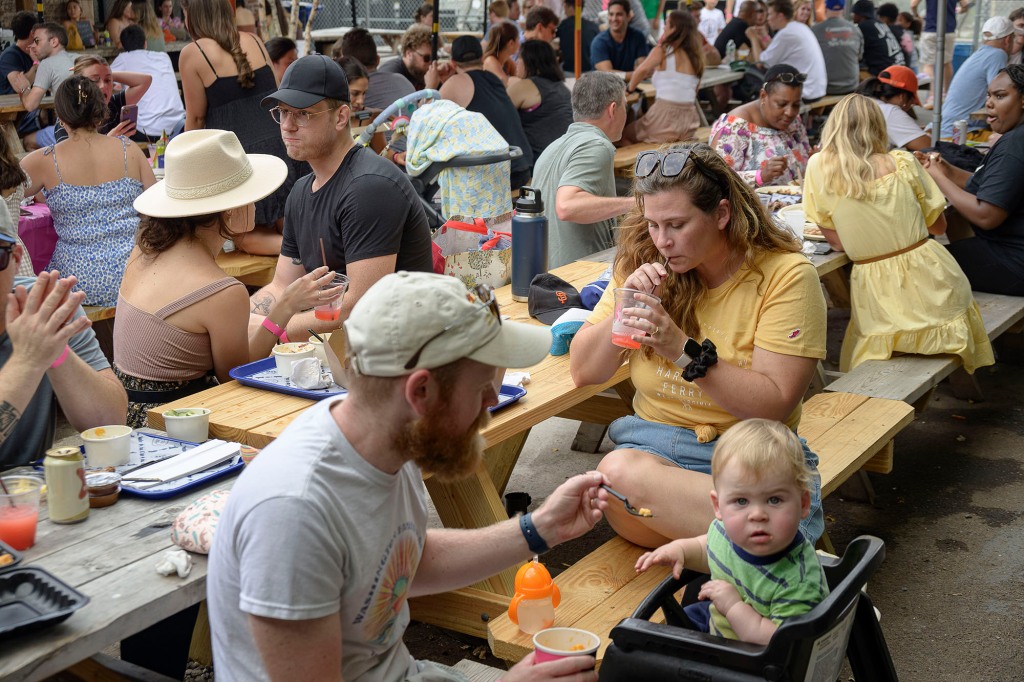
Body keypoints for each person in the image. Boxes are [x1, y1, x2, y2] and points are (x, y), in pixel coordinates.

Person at [209, 270, 608, 682]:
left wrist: (540, 529)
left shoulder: (382, 439)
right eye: (482, 388)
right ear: (420, 392)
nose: (491, 403)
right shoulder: (294, 511)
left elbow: (396, 562)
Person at [568, 141, 827, 549]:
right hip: (652, 456)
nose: (662, 241)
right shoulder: (642, 261)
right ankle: (762, 551)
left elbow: (772, 406)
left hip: (750, 461)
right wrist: (624, 310)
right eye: (653, 224)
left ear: (721, 214)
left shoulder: (786, 276)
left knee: (616, 481)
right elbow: (584, 372)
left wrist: (680, 349)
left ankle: (748, 550)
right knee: (612, 479)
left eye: (676, 225)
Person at [115, 130, 339, 425]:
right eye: (251, 198)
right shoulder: (221, 290)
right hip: (175, 420)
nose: (257, 207)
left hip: (124, 410)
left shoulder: (145, 249)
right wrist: (286, 306)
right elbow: (238, 372)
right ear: (230, 213)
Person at [803, 94, 993, 373]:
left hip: (876, 291)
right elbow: (939, 227)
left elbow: (838, 243)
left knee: (878, 357)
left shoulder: (819, 167)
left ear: (833, 126)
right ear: (880, 127)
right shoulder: (903, 161)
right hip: (934, 284)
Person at [252, 56, 433, 338]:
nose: (287, 125)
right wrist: (243, 321)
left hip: (400, 351)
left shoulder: (369, 186)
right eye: (283, 112)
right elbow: (281, 287)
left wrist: (271, 330)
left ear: (340, 117)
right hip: (345, 350)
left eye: (303, 114)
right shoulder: (300, 191)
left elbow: (361, 306)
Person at [635, 419, 828, 644]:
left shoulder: (798, 581)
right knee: (654, 638)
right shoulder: (725, 532)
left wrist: (733, 606)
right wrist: (679, 550)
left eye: (774, 500)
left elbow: (779, 643)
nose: (757, 514)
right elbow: (706, 547)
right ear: (718, 506)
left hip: (756, 658)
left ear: (804, 504)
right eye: (741, 501)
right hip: (720, 623)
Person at [179, 0, 306, 255]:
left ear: (191, 16)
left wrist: (183, 164)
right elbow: (277, 93)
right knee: (287, 222)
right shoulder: (255, 40)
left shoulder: (193, 53)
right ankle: (305, 248)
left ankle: (302, 250)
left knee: (244, 237)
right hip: (280, 143)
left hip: (239, 156)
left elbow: (195, 119)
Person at [20, 77, 155, 308]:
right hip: (136, 275)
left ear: (60, 117)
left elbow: (8, 189)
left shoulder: (45, 160)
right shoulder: (128, 150)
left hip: (76, 283)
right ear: (101, 110)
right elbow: (155, 212)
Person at [0, 261, 128, 469]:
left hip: (33, 490)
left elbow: (109, 423)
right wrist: (28, 359)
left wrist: (55, 349)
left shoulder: (44, 307)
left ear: (15, 259)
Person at [917, 65, 1024, 296]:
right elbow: (986, 183)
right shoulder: (1015, 139)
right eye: (988, 95)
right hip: (1011, 253)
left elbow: (986, 215)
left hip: (1014, 262)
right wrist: (944, 169)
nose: (989, 103)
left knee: (918, 266)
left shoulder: (1013, 145)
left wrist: (937, 177)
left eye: (1000, 96)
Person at [531, 71, 634, 267]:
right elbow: (567, 206)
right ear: (613, 109)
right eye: (625, 106)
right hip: (578, 280)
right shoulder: (596, 145)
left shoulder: (552, 148)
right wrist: (636, 203)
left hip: (548, 277)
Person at [440, 36, 535, 189]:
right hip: (522, 166)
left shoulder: (456, 81)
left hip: (500, 175)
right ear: (482, 58)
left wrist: (431, 83)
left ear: (453, 63)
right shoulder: (494, 78)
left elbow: (426, 117)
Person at [710, 63, 813, 186]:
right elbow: (716, 178)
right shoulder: (735, 126)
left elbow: (803, 157)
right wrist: (760, 176)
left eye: (796, 105)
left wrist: (813, 159)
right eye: (781, 104)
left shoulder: (793, 121)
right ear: (763, 96)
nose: (790, 112)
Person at [623, 10, 704, 144]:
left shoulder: (663, 50)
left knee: (624, 135)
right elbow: (694, 91)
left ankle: (637, 163)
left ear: (674, 28)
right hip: (690, 120)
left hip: (665, 116)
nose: (664, 27)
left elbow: (641, 71)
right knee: (643, 120)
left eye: (667, 23)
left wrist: (629, 90)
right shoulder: (696, 58)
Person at [939, 17, 1017, 138]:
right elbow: (1000, 95)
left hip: (946, 128)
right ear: (1007, 40)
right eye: (1013, 38)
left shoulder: (981, 53)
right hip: (960, 133)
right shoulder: (997, 54)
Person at [54, 54, 152, 143]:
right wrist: (108, 141)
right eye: (94, 80)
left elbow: (145, 81)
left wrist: (107, 73)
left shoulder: (112, 104)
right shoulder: (68, 117)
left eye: (107, 80)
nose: (102, 86)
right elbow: (71, 160)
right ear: (78, 86)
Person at [111, 25, 186, 139]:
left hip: (149, 130)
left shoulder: (123, 58)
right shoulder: (163, 57)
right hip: (180, 125)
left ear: (122, 46)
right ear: (145, 43)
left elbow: (104, 78)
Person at [9, 23, 75, 150]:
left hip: (69, 132)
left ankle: (55, 168)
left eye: (37, 41)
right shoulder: (79, 58)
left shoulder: (47, 64)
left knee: (28, 140)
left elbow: (30, 105)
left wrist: (24, 88)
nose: (32, 45)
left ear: (54, 41)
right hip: (93, 127)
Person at [745, 0, 827, 100]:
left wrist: (753, 38)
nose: (768, 19)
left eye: (770, 14)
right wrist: (764, 37)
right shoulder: (798, 27)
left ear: (780, 16)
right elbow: (774, 51)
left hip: (805, 92)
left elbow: (761, 63)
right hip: (816, 89)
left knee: (751, 73)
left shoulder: (786, 34)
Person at [508, 40, 574, 160]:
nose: (516, 62)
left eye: (519, 57)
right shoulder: (562, 88)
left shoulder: (525, 86)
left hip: (540, 162)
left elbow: (497, 117)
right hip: (568, 157)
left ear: (530, 61)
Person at [338, 28, 416, 110]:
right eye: (355, 93)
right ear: (378, 60)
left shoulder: (346, 93)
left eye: (364, 93)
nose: (360, 101)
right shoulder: (403, 80)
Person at [856, 65, 929, 150]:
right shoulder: (890, 112)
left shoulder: (862, 102)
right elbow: (929, 147)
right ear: (902, 97)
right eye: (912, 102)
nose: (910, 106)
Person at [911, 0, 967, 107]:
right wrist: (959, 10)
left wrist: (916, 15)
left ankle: (933, 96)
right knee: (946, 62)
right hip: (949, 31)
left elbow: (913, 4)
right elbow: (965, 5)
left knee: (929, 64)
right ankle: (945, 94)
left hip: (930, 30)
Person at [0, 13, 42, 150]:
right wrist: (36, 64)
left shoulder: (35, 52)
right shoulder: (10, 56)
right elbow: (20, 86)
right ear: (32, 33)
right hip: (13, 115)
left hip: (29, 108)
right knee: (46, 116)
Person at [811, 0, 863, 96]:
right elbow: (859, 57)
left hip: (827, 88)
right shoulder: (855, 29)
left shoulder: (814, 30)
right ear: (843, 9)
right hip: (851, 86)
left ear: (825, 7)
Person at [592, 0, 651, 80]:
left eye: (619, 14)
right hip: (604, 88)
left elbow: (643, 69)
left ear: (628, 16)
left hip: (631, 86)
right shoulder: (599, 42)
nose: (614, 18)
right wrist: (635, 75)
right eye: (611, 14)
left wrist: (638, 73)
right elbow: (607, 74)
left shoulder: (638, 37)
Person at [851, 0, 904, 76]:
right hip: (899, 69)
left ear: (860, 14)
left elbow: (856, 53)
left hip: (885, 74)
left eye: (854, 13)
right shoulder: (880, 24)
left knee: (849, 73)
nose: (853, 16)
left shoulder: (864, 26)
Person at [379, 24, 435, 92]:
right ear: (409, 54)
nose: (431, 62)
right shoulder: (391, 76)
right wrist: (430, 87)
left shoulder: (421, 72)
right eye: (427, 58)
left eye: (434, 57)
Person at [557, 0, 600, 73]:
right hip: (590, 69)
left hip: (569, 70)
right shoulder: (593, 26)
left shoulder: (564, 26)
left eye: (565, 7)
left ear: (570, 7)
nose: (564, 10)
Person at [482, 20, 521, 85]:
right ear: (511, 43)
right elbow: (506, 85)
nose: (519, 43)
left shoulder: (506, 60)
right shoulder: (490, 61)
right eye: (518, 39)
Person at [877, 2, 912, 67]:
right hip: (904, 66)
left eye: (880, 17)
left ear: (885, 18)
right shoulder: (902, 31)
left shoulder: (885, 32)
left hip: (892, 68)